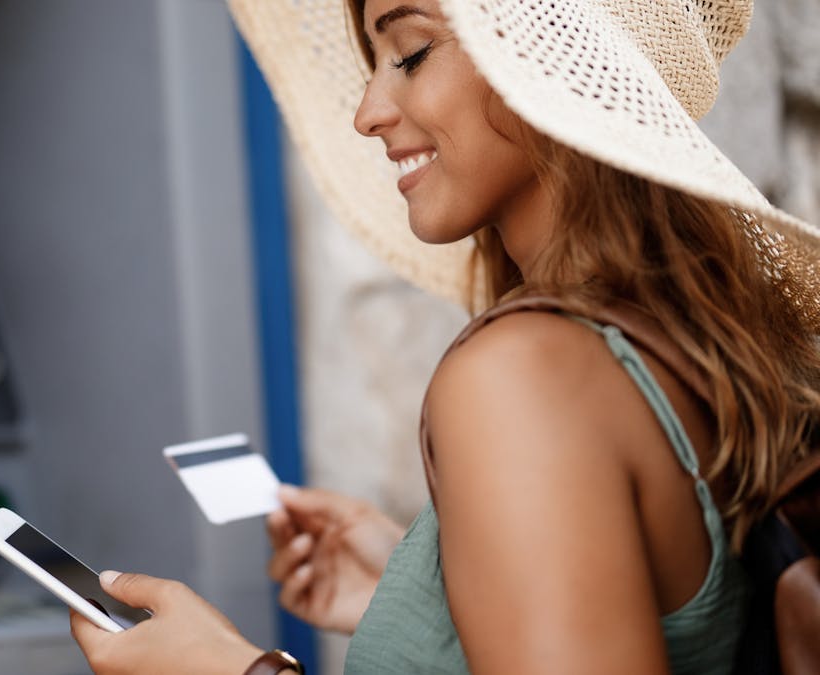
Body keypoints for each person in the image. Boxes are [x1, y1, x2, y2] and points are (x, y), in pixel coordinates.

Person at [70, 0, 820, 672]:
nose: (367, 111)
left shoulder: (521, 376)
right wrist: (420, 604)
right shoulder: (689, 341)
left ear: (546, 52)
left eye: (411, 52)